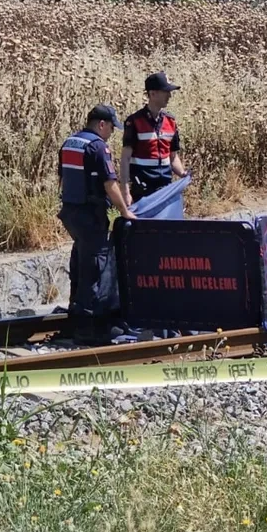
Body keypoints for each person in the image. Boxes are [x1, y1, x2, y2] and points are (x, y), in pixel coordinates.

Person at [58, 104, 136, 345]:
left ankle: (74, 318)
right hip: (90, 215)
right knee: (94, 267)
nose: (112, 133)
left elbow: (62, 177)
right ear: (101, 124)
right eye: (112, 127)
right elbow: (109, 183)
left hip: (71, 212)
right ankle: (88, 327)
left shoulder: (70, 142)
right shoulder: (97, 147)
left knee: (81, 260)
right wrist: (125, 210)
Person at [121, 71, 188, 203]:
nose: (169, 96)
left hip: (165, 187)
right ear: (152, 94)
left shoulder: (171, 121)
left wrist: (183, 173)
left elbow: (172, 156)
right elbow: (125, 158)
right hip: (143, 190)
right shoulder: (134, 121)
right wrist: (125, 191)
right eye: (166, 92)